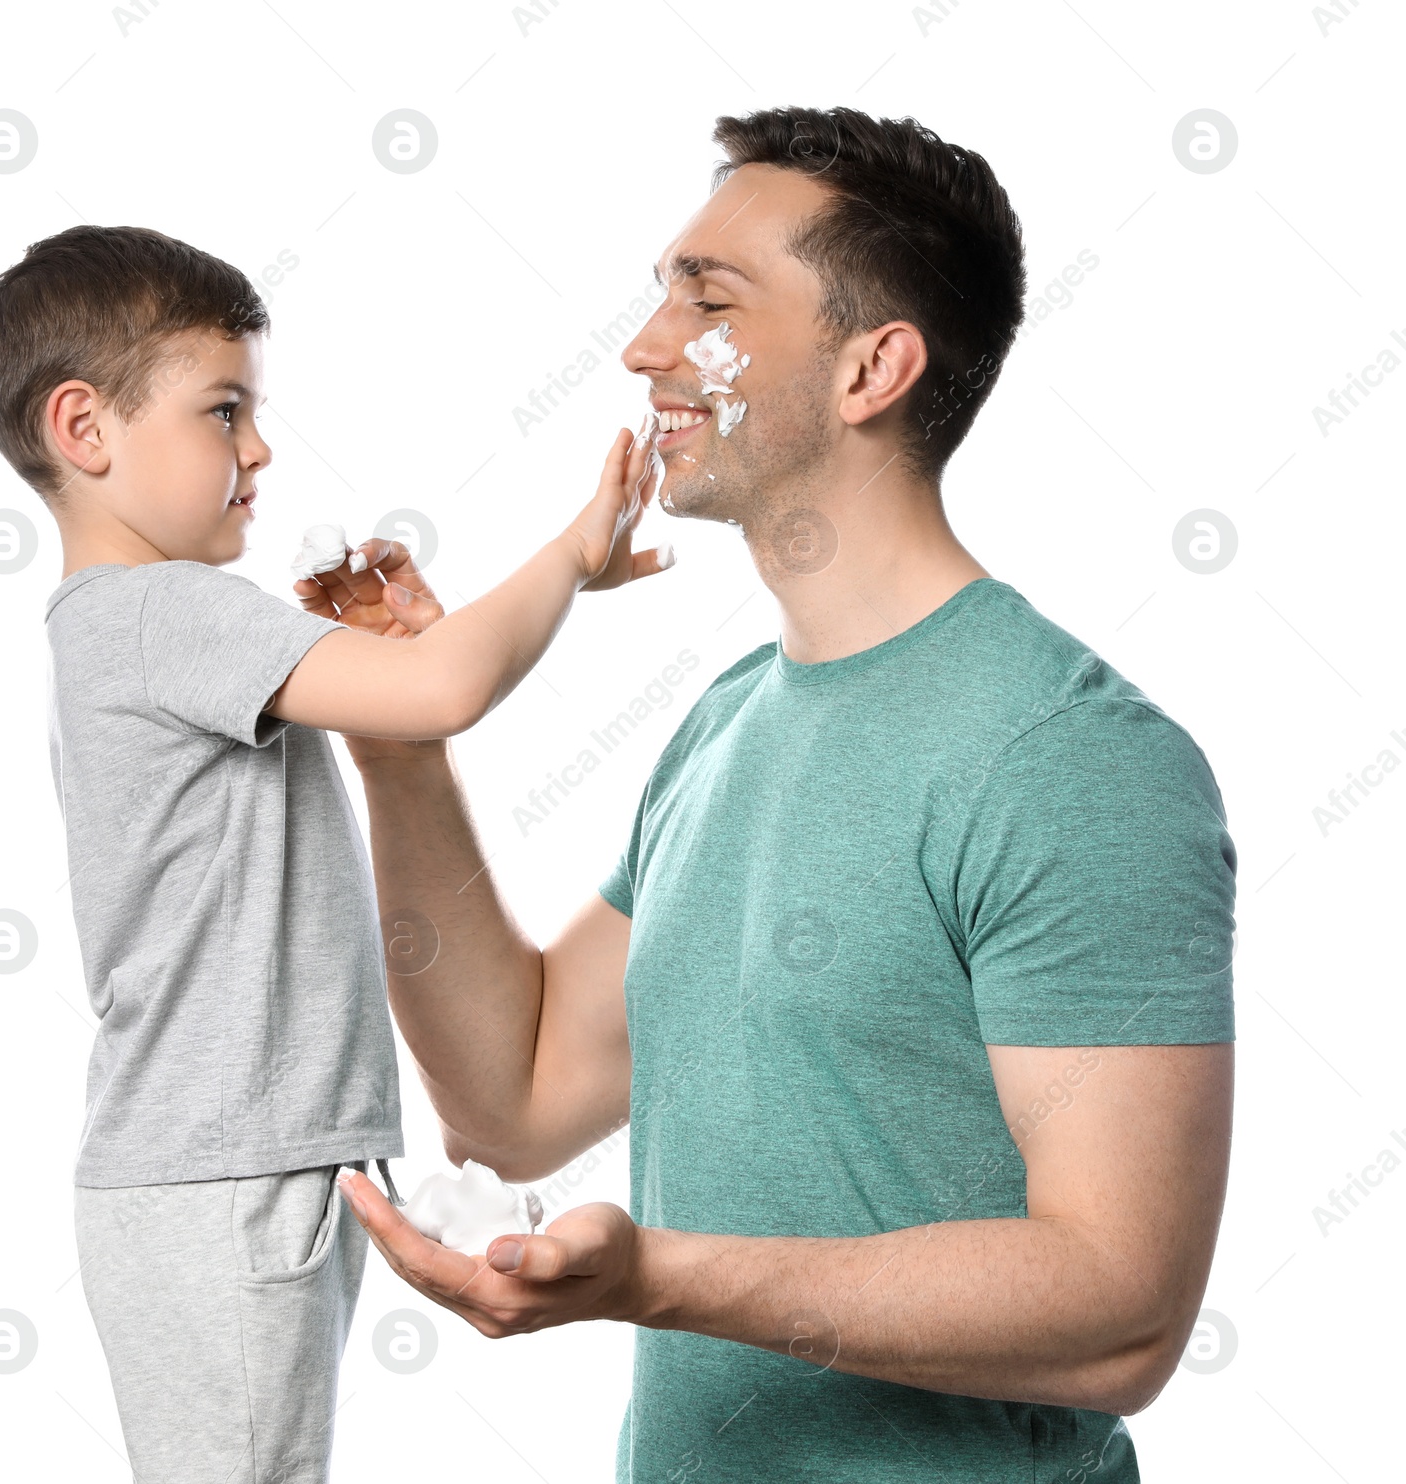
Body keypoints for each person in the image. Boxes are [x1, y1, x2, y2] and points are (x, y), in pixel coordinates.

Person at [326, 107, 1237, 1483]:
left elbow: (1124, 1312)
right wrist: (402, 752)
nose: (643, 348)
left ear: (874, 366)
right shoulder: (729, 721)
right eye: (662, 294)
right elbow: (510, 1097)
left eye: (709, 300)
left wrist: (660, 1275)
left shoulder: (1070, 759)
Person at [0, 223, 666, 1483]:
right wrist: (574, 550)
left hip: (231, 1167)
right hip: (228, 1173)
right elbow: (446, 687)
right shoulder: (165, 610)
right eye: (223, 409)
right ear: (84, 429)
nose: (259, 448)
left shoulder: (131, 627)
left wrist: (384, 662)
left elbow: (408, 705)